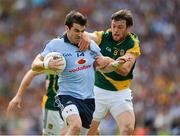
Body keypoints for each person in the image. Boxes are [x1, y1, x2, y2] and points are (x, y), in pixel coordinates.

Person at [31, 10, 128, 135]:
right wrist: (46, 64)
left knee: (85, 133)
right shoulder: (56, 44)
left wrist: (115, 64)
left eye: (82, 31)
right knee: (75, 125)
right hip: (66, 96)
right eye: (76, 31)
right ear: (67, 28)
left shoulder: (90, 45)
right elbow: (34, 65)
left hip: (88, 100)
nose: (80, 34)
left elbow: (103, 67)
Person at [80, 9, 141, 135]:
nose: (116, 30)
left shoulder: (132, 43)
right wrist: (84, 35)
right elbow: (89, 35)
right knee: (88, 133)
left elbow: (125, 70)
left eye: (120, 27)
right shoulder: (104, 36)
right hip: (97, 91)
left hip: (120, 93)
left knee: (127, 128)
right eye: (113, 26)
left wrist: (108, 60)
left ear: (128, 28)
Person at [7, 70, 64, 135]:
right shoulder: (54, 63)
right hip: (53, 108)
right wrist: (18, 96)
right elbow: (33, 71)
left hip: (70, 105)